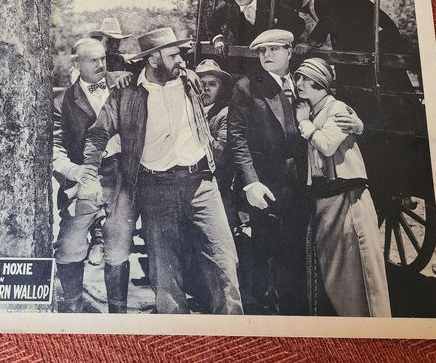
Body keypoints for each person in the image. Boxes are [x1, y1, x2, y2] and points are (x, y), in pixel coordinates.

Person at [79, 27, 243, 315]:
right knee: (164, 272)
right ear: (153, 59)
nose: (181, 60)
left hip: (201, 182)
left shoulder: (189, 80)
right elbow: (98, 134)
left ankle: (231, 337)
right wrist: (88, 174)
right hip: (156, 187)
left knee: (224, 263)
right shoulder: (126, 92)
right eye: (173, 55)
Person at [228, 29, 364, 315]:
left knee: (299, 253)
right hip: (267, 185)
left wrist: (357, 124)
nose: (267, 55)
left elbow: (333, 112)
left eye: (274, 49)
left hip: (306, 184)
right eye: (262, 51)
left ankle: (297, 316)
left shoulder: (304, 84)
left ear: (289, 52)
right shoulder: (247, 86)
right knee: (265, 252)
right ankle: (261, 318)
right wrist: (251, 183)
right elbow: (236, 138)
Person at [293, 57, 391, 317]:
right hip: (326, 200)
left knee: (360, 273)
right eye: (298, 78)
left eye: (306, 78)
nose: (300, 83)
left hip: (349, 200)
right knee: (337, 278)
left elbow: (326, 145)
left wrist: (304, 124)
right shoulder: (313, 111)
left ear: (321, 82)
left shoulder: (337, 109)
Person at [52, 38, 131, 313]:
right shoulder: (63, 101)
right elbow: (55, 145)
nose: (101, 65)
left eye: (103, 59)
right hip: (83, 180)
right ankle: (73, 311)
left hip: (121, 177)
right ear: (76, 64)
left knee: (119, 247)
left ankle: (118, 317)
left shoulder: (123, 84)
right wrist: (73, 171)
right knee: (69, 246)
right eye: (92, 60)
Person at [210, 0, 305, 74]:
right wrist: (218, 39)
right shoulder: (229, 4)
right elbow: (213, 22)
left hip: (273, 60)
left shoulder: (271, 0)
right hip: (244, 60)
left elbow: (299, 24)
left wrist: (287, 42)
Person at [194, 59, 237, 229]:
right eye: (201, 83)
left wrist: (200, 125)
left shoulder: (226, 114)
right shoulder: (183, 108)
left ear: (221, 89)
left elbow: (221, 156)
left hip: (216, 188)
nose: (205, 89)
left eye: (212, 84)